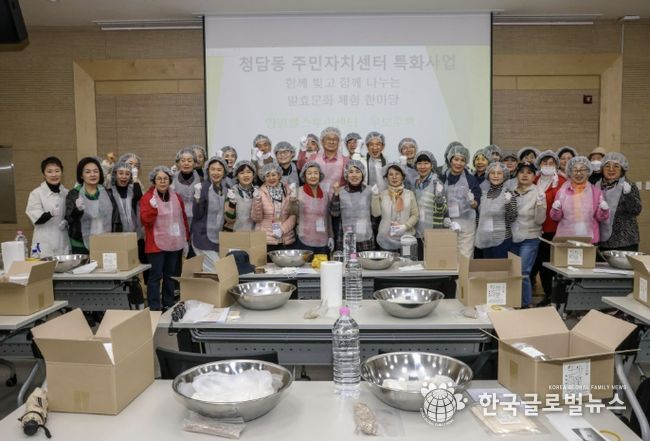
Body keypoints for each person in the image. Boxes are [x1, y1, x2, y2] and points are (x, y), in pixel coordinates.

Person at [140, 166, 189, 311]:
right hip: (155, 245)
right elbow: (145, 221)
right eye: (159, 179)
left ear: (170, 181)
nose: (162, 181)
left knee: (170, 275)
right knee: (155, 277)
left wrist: (186, 238)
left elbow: (183, 218)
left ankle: (168, 303)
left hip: (174, 243)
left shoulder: (176, 197)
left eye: (165, 179)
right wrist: (152, 209)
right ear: (154, 181)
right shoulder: (148, 198)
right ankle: (154, 306)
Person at [65, 157, 121, 254]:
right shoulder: (74, 194)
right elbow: (69, 218)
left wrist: (115, 239)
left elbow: (116, 218)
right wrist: (77, 210)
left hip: (105, 242)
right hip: (80, 244)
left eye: (96, 171)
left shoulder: (108, 194)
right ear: (81, 175)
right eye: (88, 172)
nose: (92, 174)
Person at [531, 150, 566, 306]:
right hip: (534, 228)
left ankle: (554, 297)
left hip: (553, 229)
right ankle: (546, 294)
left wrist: (556, 189)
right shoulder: (534, 179)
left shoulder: (562, 181)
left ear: (556, 165)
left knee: (550, 265)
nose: (548, 165)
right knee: (538, 264)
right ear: (539, 164)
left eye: (551, 163)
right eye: (545, 163)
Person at [510, 162, 546, 308]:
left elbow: (540, 220)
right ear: (517, 174)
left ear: (534, 176)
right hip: (512, 236)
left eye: (529, 172)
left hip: (530, 237)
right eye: (522, 172)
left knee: (523, 271)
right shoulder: (511, 191)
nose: (525, 175)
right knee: (512, 272)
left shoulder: (538, 192)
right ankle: (513, 301)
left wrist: (540, 206)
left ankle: (525, 303)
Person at [550, 156, 610, 243]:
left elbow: (600, 218)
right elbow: (556, 218)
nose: (578, 173)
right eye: (575, 170)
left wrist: (604, 210)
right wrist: (556, 210)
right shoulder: (562, 192)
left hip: (589, 239)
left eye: (582, 170)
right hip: (565, 238)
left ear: (588, 172)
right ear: (570, 173)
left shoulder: (595, 192)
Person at [441, 143, 481, 258]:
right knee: (449, 257)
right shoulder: (442, 178)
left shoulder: (471, 179)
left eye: (462, 160)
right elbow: (438, 201)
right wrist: (445, 218)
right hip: (448, 223)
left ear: (466, 162)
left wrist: (473, 202)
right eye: (456, 159)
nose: (458, 163)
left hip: (466, 225)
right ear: (450, 160)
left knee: (465, 257)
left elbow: (476, 203)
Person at [25, 157, 70, 257]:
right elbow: (36, 219)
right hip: (43, 241)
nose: (54, 175)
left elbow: (70, 216)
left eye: (57, 171)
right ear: (43, 174)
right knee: (42, 266)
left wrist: (67, 220)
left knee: (64, 265)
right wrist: (51, 214)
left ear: (61, 172)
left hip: (62, 240)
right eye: (49, 171)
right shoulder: (36, 193)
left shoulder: (66, 193)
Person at [598, 152, 642, 252]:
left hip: (625, 241)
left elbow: (636, 210)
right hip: (603, 241)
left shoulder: (629, 186)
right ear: (602, 169)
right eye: (607, 166)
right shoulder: (597, 186)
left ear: (622, 169)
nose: (611, 169)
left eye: (616, 166)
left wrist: (628, 195)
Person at [413, 151, 452, 259]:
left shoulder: (437, 183)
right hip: (417, 229)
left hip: (433, 229)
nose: (422, 167)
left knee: (432, 260)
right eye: (419, 163)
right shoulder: (415, 182)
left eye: (426, 163)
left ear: (432, 165)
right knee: (419, 260)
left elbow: (443, 208)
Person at [371, 162, 419, 252]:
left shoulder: (409, 194)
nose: (394, 177)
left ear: (402, 177)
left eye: (397, 174)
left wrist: (405, 226)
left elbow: (415, 215)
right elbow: (376, 213)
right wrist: (375, 196)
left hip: (406, 239)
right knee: (388, 261)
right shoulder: (382, 194)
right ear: (386, 178)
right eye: (390, 174)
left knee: (406, 261)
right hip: (386, 240)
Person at [192, 156, 228, 272]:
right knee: (218, 271)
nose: (215, 173)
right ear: (207, 171)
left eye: (219, 170)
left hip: (218, 238)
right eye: (213, 169)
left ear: (224, 172)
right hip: (203, 238)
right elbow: (197, 215)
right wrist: (197, 197)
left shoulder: (224, 189)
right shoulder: (202, 187)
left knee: (216, 273)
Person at [330, 160, 375, 252]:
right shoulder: (340, 191)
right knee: (347, 261)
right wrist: (336, 194)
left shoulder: (369, 191)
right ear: (346, 175)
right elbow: (334, 213)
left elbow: (375, 214)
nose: (354, 175)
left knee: (365, 261)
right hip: (346, 238)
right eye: (351, 172)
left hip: (366, 239)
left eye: (358, 172)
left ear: (363, 174)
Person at [251, 161, 297, 252]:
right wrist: (257, 201)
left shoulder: (289, 191)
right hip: (266, 239)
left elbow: (293, 215)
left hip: (285, 239)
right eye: (267, 175)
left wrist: (282, 230)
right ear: (263, 178)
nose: (271, 178)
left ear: (279, 175)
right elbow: (257, 219)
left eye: (273, 174)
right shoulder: (259, 193)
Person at [475, 162, 517, 259]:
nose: (496, 176)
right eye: (493, 173)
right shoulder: (484, 193)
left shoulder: (508, 193)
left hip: (502, 240)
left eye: (499, 173)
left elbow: (512, 219)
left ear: (504, 176)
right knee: (488, 267)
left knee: (499, 268)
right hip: (485, 239)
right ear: (488, 175)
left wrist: (508, 204)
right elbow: (480, 217)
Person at [295, 161, 332, 254]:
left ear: (320, 175)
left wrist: (331, 236)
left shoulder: (325, 194)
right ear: (304, 176)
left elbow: (328, 217)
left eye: (316, 173)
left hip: (322, 239)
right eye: (309, 173)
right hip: (304, 238)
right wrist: (291, 201)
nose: (313, 176)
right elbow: (292, 213)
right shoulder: (298, 192)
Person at [297, 127, 348, 194]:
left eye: (335, 139)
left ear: (339, 142)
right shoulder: (313, 158)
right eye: (328, 139)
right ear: (322, 141)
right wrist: (302, 150)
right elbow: (301, 167)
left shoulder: (345, 161)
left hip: (339, 198)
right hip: (316, 198)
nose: (331, 142)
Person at [107, 161, 143, 240]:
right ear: (115, 175)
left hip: (133, 235)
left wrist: (135, 178)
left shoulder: (132, 190)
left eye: (127, 174)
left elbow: (139, 196)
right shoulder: (109, 192)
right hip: (115, 234)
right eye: (120, 173)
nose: (124, 176)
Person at [171, 147, 201, 231]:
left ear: (194, 163)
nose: (186, 163)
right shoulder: (171, 179)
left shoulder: (201, 180)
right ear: (178, 163)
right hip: (176, 219)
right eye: (183, 160)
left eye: (189, 161)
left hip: (196, 219)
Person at [223, 160, 258, 231]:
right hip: (235, 232)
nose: (246, 175)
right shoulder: (232, 192)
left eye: (248, 172)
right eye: (242, 173)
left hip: (253, 233)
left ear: (253, 174)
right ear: (236, 176)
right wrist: (232, 203)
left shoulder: (258, 192)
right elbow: (228, 219)